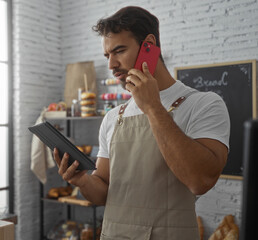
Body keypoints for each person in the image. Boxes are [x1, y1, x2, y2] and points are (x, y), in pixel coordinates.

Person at [53, 6, 230, 239]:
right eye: (108, 55)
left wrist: (153, 107)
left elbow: (200, 181)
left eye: (119, 51)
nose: (111, 65)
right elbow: (104, 192)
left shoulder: (204, 104)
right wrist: (82, 181)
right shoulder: (112, 117)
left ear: (149, 45)